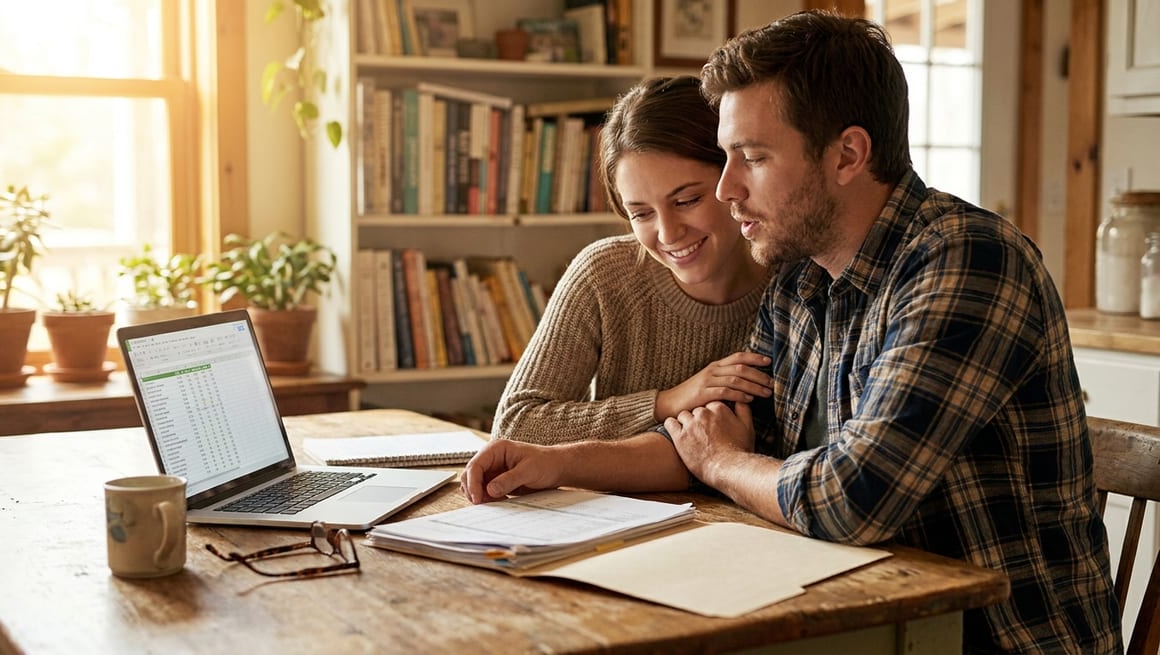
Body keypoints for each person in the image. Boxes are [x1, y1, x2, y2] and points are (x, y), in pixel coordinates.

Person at [462, 12, 1122, 653]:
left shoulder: (966, 259)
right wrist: (552, 463)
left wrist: (725, 462)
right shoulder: (800, 278)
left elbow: (847, 499)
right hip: (851, 614)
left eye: (750, 157)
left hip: (987, 637)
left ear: (847, 155)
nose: (726, 189)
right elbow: (706, 436)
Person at [490, 75, 772, 445]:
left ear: (735, 180)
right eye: (641, 214)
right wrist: (666, 402)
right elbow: (516, 424)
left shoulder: (795, 282)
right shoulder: (604, 273)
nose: (668, 234)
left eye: (686, 201)